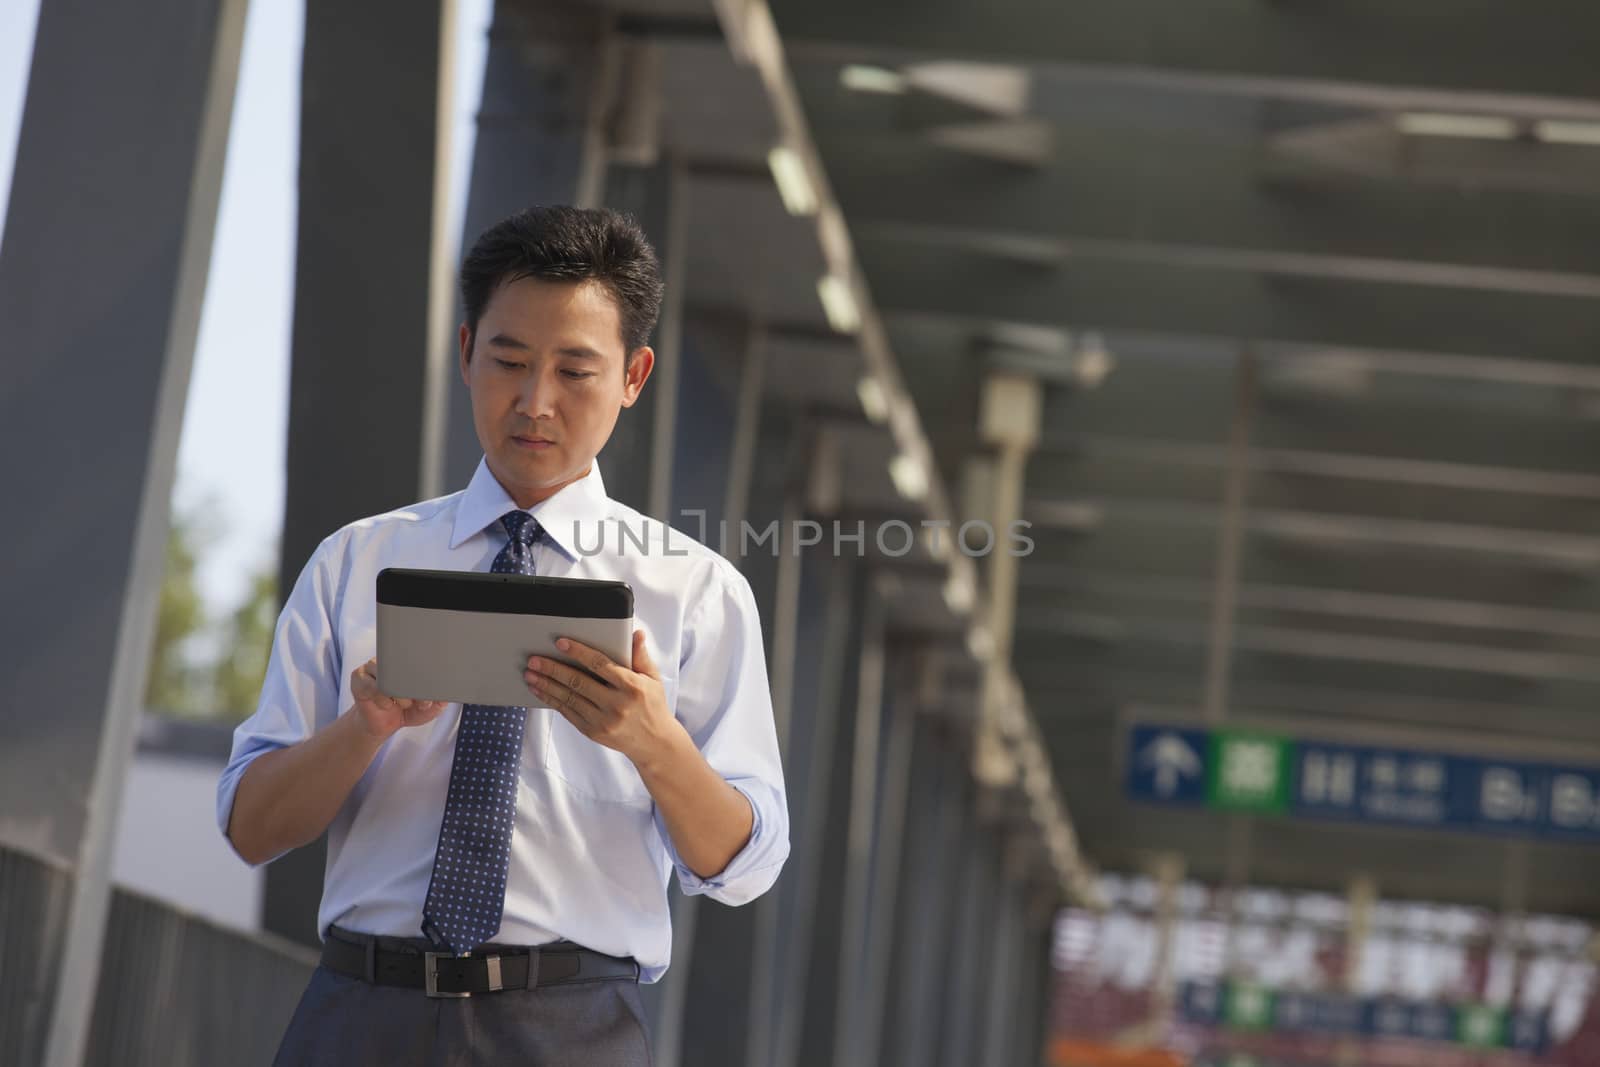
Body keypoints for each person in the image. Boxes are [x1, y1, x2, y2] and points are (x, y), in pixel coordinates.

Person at [217, 205, 789, 1065]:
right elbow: (251, 827)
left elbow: (747, 866)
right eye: (509, 361)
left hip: (570, 1026)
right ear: (464, 352)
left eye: (575, 371)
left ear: (635, 376)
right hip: (357, 1014)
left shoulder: (696, 594)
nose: (535, 402)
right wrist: (363, 726)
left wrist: (653, 743)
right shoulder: (355, 562)